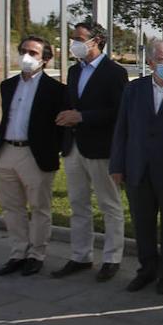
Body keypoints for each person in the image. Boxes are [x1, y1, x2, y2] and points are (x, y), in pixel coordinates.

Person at [109, 39, 163, 295]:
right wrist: (117, 165)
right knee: (142, 223)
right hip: (137, 168)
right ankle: (147, 269)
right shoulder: (133, 90)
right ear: (150, 62)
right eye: (162, 59)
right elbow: (122, 129)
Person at [52, 21, 128, 282]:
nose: (73, 42)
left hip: (101, 149)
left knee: (109, 205)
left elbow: (119, 113)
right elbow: (71, 103)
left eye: (78, 38)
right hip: (73, 147)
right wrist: (67, 116)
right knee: (78, 204)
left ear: (96, 41)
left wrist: (83, 117)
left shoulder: (114, 73)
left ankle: (112, 258)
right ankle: (80, 256)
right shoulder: (74, 72)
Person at [0, 36, 66, 277]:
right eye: (23, 51)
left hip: (35, 155)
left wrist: (53, 150)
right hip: (6, 152)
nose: (26, 56)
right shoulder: (8, 85)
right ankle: (18, 253)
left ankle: (37, 254)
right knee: (11, 207)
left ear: (45, 59)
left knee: (39, 208)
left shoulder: (55, 90)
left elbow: (60, 126)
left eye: (33, 53)